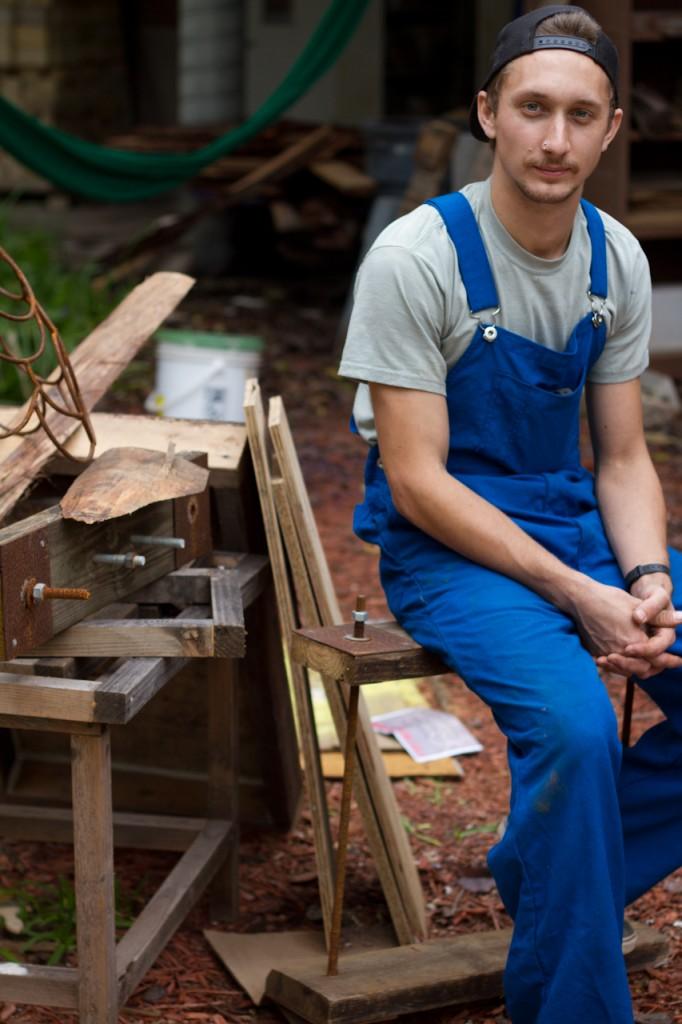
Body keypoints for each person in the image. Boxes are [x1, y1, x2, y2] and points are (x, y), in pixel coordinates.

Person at [339, 5, 682, 1023]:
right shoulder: (416, 258)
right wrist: (584, 597)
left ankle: (544, 872)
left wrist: (648, 582)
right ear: (488, 113)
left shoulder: (613, 257)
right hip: (447, 544)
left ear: (612, 127)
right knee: (577, 731)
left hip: (570, 517)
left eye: (580, 115)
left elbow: (620, 455)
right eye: (532, 109)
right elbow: (416, 482)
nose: (554, 139)